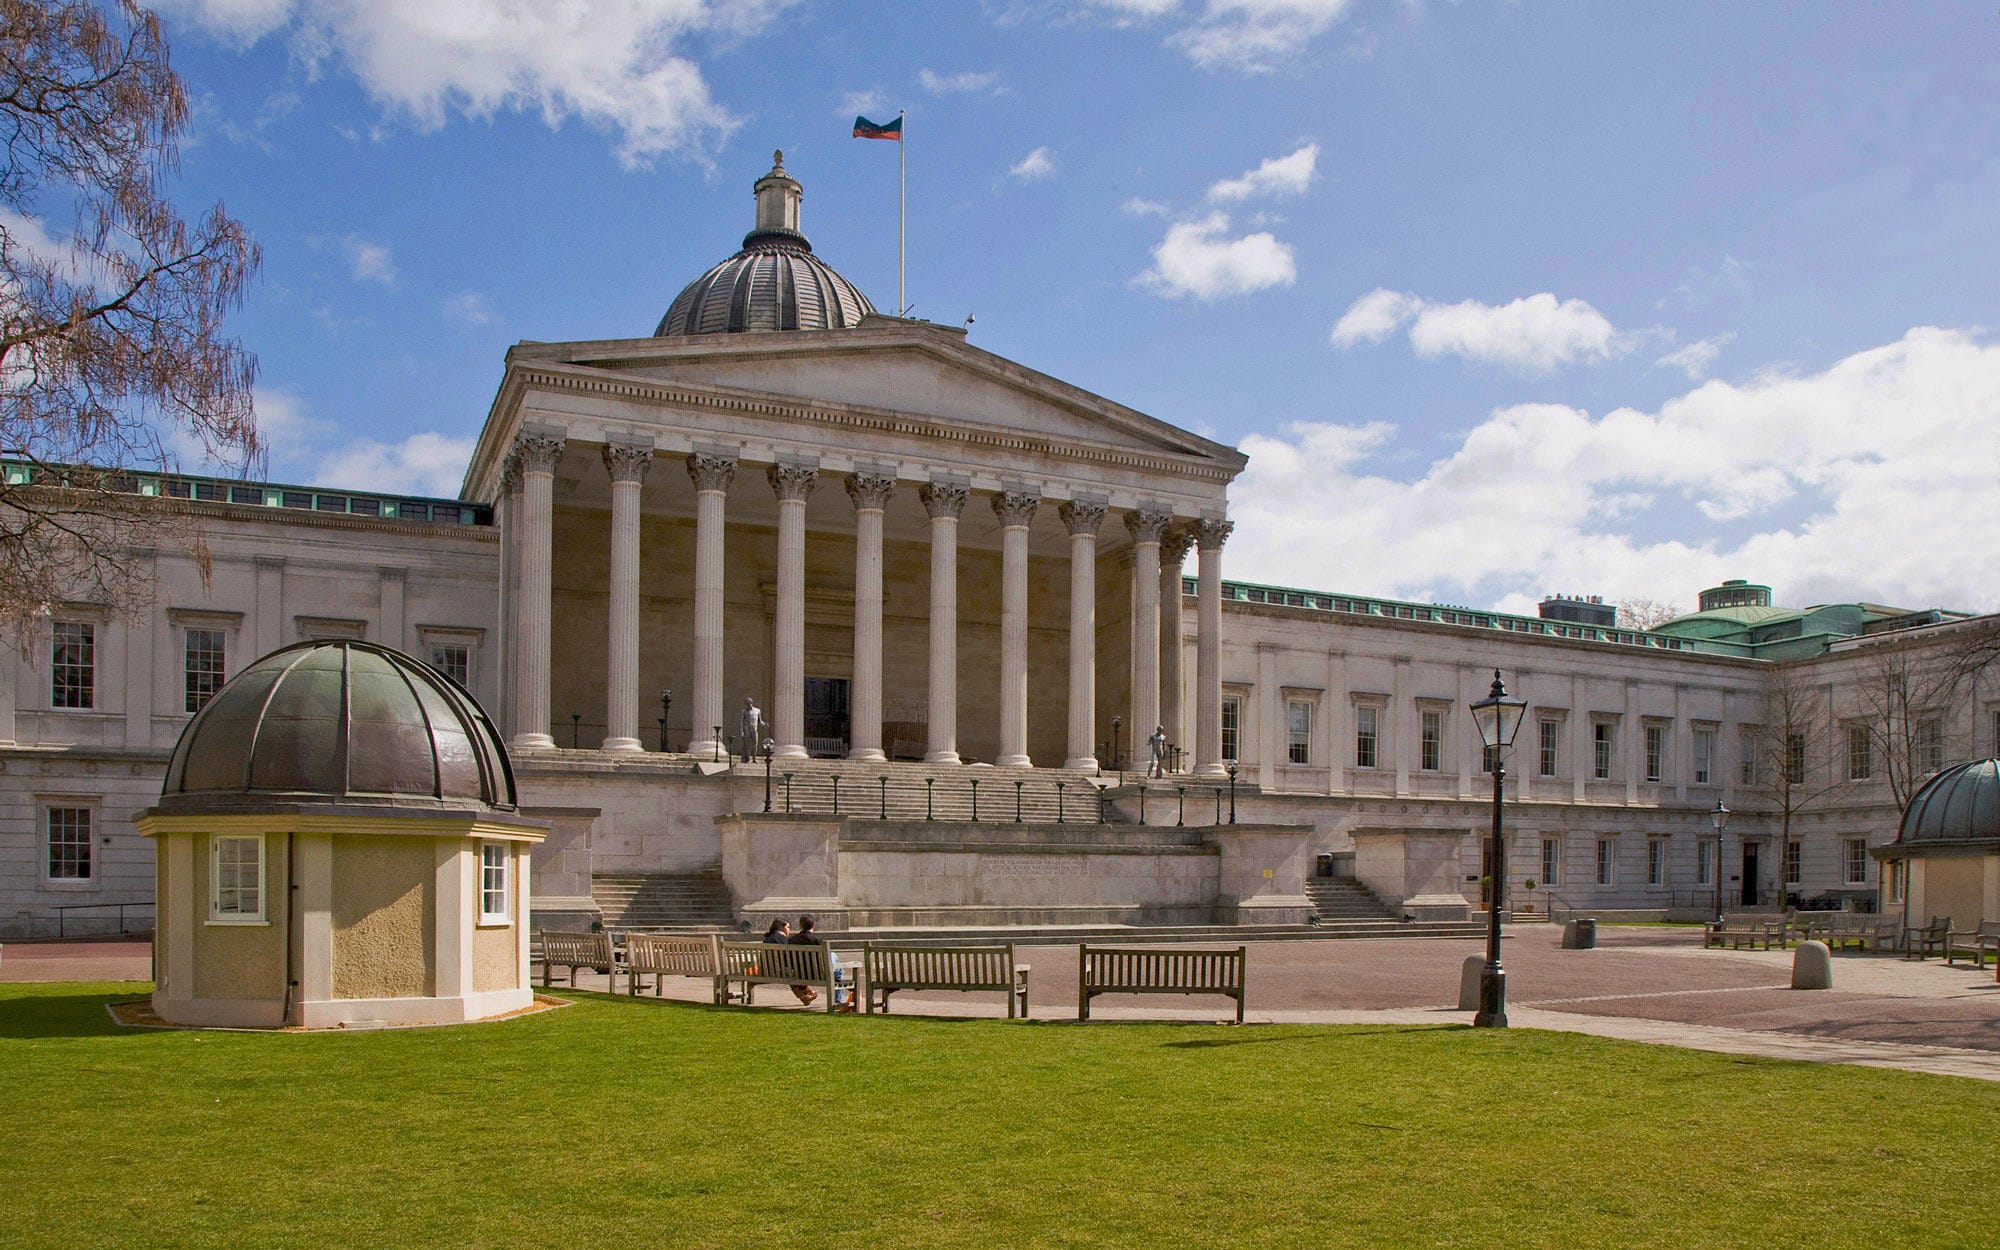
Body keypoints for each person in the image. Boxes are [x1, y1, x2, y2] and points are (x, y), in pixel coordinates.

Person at [788, 914, 854, 1012]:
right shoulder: (817, 941)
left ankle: (837, 999)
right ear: (814, 925)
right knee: (834, 960)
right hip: (819, 975)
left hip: (799, 974)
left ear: (800, 926)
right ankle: (838, 1001)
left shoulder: (791, 941)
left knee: (833, 959)